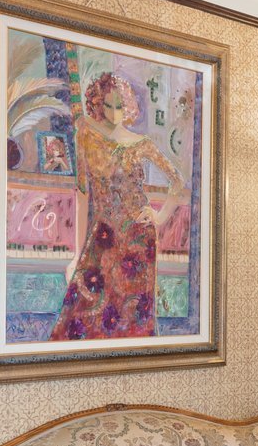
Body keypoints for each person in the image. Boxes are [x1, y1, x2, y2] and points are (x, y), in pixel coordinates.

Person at [49, 71, 190, 340]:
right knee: (84, 313)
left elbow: (177, 181)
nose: (114, 113)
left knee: (133, 316)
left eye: (119, 106)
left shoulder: (142, 144)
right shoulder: (87, 137)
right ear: (98, 104)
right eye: (108, 105)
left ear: (128, 107)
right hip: (104, 236)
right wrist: (75, 255)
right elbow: (82, 194)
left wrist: (159, 218)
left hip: (138, 238)